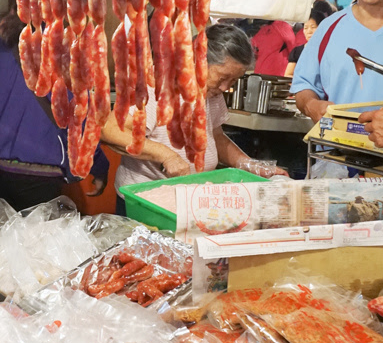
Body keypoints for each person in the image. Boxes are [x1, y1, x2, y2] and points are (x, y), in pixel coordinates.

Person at [102, 25, 289, 214]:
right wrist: (167, 156)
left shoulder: (211, 92)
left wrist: (250, 165)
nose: (225, 87)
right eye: (223, 77)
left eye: (233, 81)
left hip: (191, 198)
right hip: (147, 203)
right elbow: (111, 131)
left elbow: (215, 136)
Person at [0, 9, 109, 213]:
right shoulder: (66, 46)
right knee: (39, 242)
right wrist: (99, 165)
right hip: (40, 174)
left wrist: (1, 124)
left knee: (4, 240)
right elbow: (79, 121)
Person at [285, 9, 327, 77]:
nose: (309, 31)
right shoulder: (296, 52)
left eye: (313, 27)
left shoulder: (328, 51)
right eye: (306, 28)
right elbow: (288, 75)